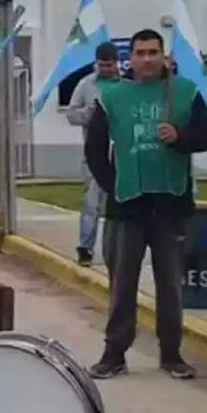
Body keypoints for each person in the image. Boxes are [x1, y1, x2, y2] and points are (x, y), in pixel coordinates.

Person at [84, 29, 207, 381]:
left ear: (163, 55)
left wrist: (181, 137)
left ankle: (172, 354)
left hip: (171, 205)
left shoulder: (185, 92)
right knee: (122, 284)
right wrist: (113, 188)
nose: (147, 58)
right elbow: (95, 149)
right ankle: (114, 352)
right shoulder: (111, 96)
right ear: (131, 57)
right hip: (127, 207)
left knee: (171, 285)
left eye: (153, 52)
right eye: (140, 52)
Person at [65, 42, 122, 266]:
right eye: (102, 65)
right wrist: (89, 113)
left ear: (116, 63)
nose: (106, 69)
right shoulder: (86, 85)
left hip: (122, 153)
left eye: (109, 65)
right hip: (95, 152)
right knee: (91, 203)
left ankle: (117, 248)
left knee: (120, 205)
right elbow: (71, 115)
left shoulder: (126, 84)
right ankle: (85, 248)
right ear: (96, 63)